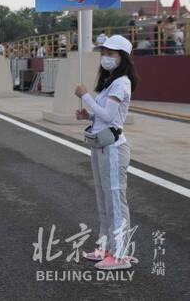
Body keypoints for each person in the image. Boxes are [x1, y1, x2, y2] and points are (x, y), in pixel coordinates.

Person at [74, 35, 138, 271]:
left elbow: (110, 116)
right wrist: (88, 115)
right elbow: (103, 113)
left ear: (123, 58)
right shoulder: (110, 81)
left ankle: (120, 253)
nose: (106, 58)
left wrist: (85, 96)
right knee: (103, 199)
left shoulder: (122, 83)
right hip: (100, 146)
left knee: (115, 201)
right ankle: (106, 247)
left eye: (111, 54)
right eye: (104, 53)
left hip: (113, 149)